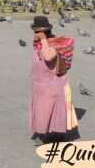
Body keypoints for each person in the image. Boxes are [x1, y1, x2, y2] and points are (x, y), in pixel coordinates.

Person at [29, 16, 77, 145]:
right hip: (42, 83)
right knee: (44, 110)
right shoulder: (40, 43)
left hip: (52, 83)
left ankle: (50, 136)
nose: (35, 34)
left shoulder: (54, 44)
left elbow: (49, 57)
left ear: (43, 32)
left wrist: (43, 40)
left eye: (37, 32)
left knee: (49, 111)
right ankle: (49, 134)